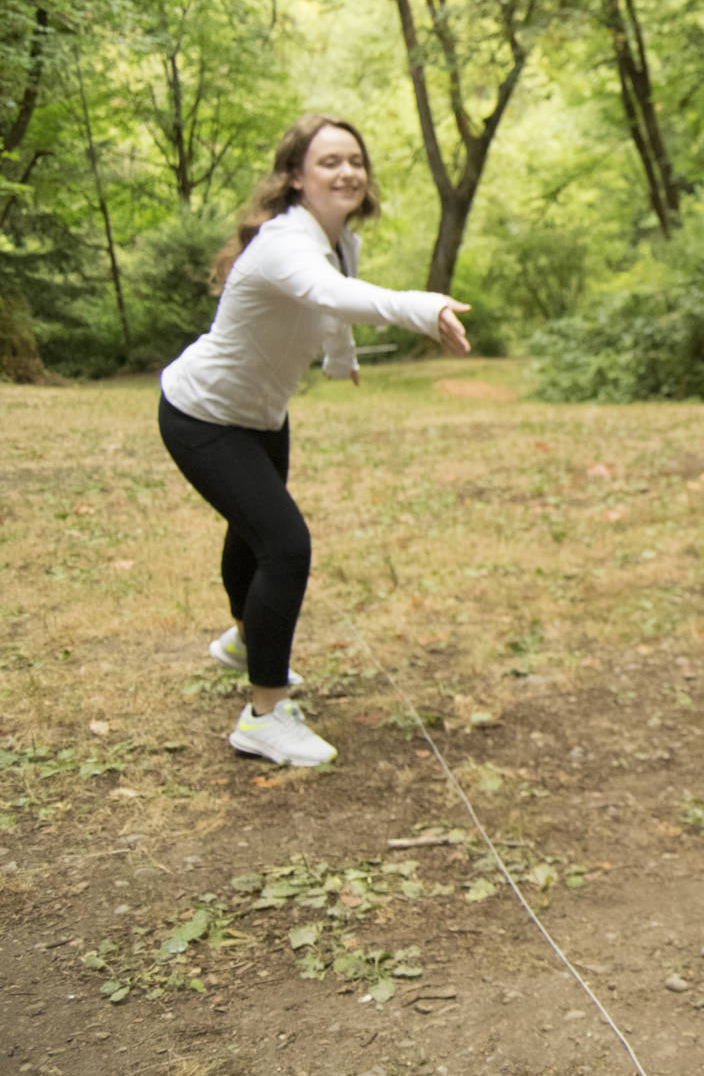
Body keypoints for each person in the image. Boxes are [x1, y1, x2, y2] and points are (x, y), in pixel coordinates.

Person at [158, 114, 472, 767]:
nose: (347, 171)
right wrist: (423, 307)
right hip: (202, 413)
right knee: (285, 543)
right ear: (296, 178)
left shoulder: (339, 242)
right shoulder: (282, 241)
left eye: (355, 160)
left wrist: (339, 361)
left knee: (252, 533)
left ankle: (247, 641)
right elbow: (329, 291)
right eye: (329, 161)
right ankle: (264, 715)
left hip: (262, 415)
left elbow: (332, 307)